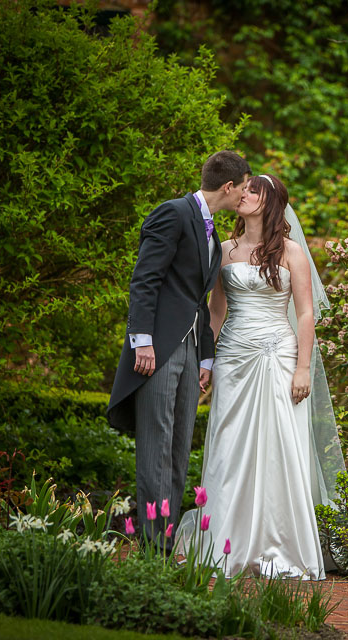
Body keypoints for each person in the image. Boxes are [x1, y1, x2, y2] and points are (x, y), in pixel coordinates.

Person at [176, 173, 344, 579]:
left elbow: (306, 313)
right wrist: (205, 360)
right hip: (233, 358)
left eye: (254, 191)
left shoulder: (292, 253)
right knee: (228, 446)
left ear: (270, 203)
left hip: (278, 358)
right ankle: (223, 543)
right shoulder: (225, 250)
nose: (244, 194)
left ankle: (277, 544)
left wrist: (302, 367)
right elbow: (216, 311)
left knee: (276, 448)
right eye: (245, 189)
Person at [107, 151, 252, 548]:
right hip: (157, 349)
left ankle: (166, 542)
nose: (244, 195)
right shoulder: (172, 213)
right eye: (243, 188)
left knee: (178, 447)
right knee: (156, 446)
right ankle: (154, 548)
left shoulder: (211, 231)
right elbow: (145, 279)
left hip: (190, 350)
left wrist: (205, 356)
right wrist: (142, 341)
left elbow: (198, 299)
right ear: (228, 187)